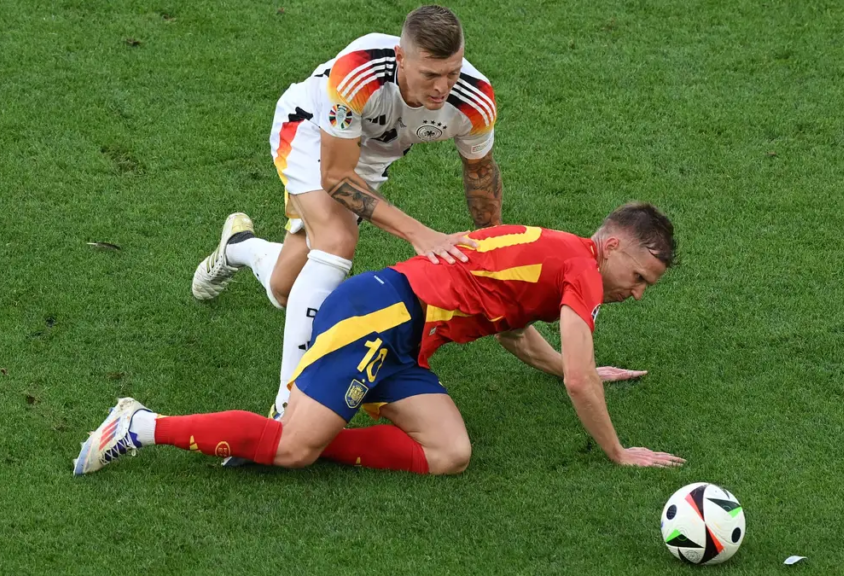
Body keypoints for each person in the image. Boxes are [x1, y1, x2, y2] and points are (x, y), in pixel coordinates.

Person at [74, 203, 686, 476]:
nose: (636, 293)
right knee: (294, 450)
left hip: (404, 339)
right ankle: (138, 424)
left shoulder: (560, 257)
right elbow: (580, 378)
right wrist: (618, 451)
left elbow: (515, 332)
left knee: (451, 454)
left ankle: (274, 439)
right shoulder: (582, 270)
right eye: (638, 278)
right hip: (379, 316)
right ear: (610, 246)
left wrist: (569, 370)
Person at [189, 5, 503, 421]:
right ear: (401, 57)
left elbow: (480, 175)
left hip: (368, 156)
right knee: (337, 242)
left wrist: (496, 254)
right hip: (310, 130)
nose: (442, 87)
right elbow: (336, 176)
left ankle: (238, 246)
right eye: (430, 74)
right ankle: (288, 406)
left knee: (285, 289)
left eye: (452, 72)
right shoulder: (359, 71)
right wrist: (418, 233)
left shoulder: (474, 100)